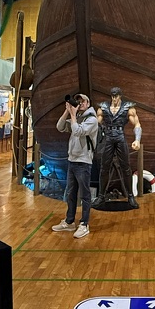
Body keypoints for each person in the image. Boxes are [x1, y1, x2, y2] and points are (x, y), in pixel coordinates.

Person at [51, 93, 98, 238]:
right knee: (71, 193)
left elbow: (78, 131)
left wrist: (72, 115)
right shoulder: (76, 118)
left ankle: (84, 224)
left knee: (84, 195)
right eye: (78, 101)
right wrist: (68, 110)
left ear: (88, 104)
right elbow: (59, 126)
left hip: (83, 162)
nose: (80, 103)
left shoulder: (92, 120)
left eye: (83, 101)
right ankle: (70, 221)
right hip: (72, 160)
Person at [95, 87, 141, 208]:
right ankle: (101, 196)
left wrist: (137, 139)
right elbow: (95, 125)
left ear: (120, 96)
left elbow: (137, 124)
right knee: (104, 167)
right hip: (108, 137)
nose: (114, 99)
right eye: (112, 96)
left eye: (116, 96)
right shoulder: (104, 107)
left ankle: (130, 196)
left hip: (120, 136)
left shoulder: (128, 108)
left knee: (125, 167)